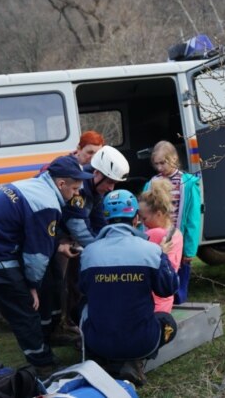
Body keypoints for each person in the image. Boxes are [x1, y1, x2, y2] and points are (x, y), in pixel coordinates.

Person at [0, 155, 90, 378]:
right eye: (75, 188)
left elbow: (26, 230)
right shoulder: (46, 202)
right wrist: (32, 285)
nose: (77, 194)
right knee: (24, 310)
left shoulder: (33, 185)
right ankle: (44, 363)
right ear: (61, 184)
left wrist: (56, 245)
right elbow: (36, 256)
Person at [77, 189, 178, 386]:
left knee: (83, 307)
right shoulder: (151, 251)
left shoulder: (88, 253)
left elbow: (83, 289)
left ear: (106, 219)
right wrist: (162, 257)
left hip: (98, 343)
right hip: (143, 342)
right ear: (136, 218)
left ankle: (104, 359)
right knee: (168, 324)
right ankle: (135, 361)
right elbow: (168, 288)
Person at [44, 146, 130, 343]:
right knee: (56, 282)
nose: (111, 188)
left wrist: (110, 241)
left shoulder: (95, 189)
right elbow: (79, 228)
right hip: (51, 237)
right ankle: (54, 328)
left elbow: (98, 221)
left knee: (72, 281)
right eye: (110, 182)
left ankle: (66, 322)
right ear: (97, 173)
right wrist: (100, 251)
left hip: (64, 237)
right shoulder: (79, 188)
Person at [142, 140, 202, 304]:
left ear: (174, 159)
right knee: (159, 275)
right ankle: (161, 306)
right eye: (156, 164)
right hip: (158, 238)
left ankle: (177, 303)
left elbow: (193, 219)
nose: (160, 168)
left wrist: (189, 249)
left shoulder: (188, 183)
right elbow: (145, 214)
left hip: (178, 239)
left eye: (163, 163)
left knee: (179, 276)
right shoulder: (151, 183)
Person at [138, 179, 183, 313]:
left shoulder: (155, 233)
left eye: (144, 218)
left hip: (150, 301)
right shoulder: (176, 233)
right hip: (165, 299)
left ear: (158, 214)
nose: (142, 222)